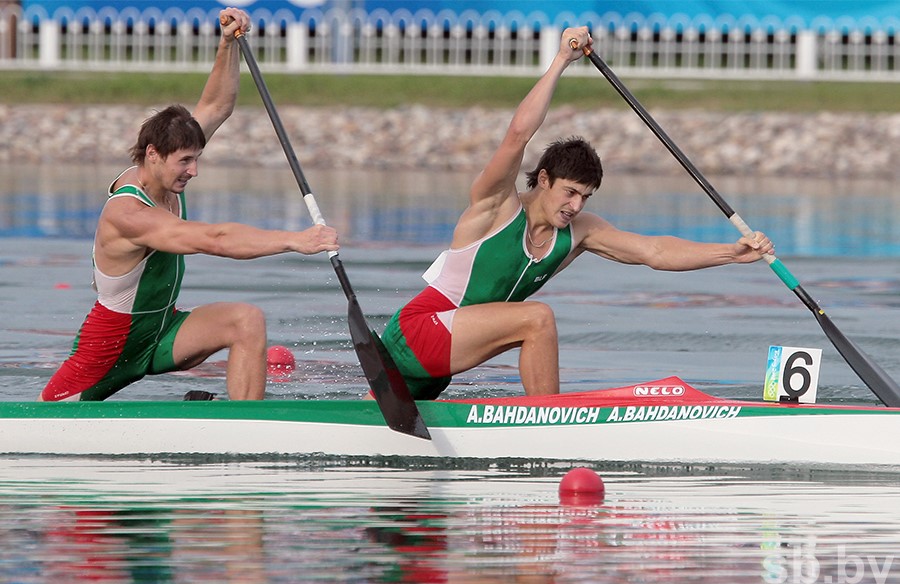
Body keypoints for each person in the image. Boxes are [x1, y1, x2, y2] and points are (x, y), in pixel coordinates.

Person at [379, 26, 775, 400]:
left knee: (365, 423)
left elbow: (654, 252)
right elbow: (518, 134)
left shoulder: (578, 232)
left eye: (585, 198)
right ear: (544, 180)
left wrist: (729, 254)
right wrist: (560, 62)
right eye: (570, 193)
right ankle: (551, 423)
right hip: (418, 330)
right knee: (536, 319)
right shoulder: (495, 204)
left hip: (443, 356)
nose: (576, 207)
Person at [40, 8, 339, 402]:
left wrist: (227, 43)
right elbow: (214, 238)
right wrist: (295, 240)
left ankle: (248, 428)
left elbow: (216, 106)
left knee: (245, 320)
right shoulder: (128, 213)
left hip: (163, 330)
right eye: (185, 161)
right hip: (109, 347)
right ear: (153, 154)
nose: (194, 171)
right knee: (52, 411)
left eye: (196, 158)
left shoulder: (168, 170)